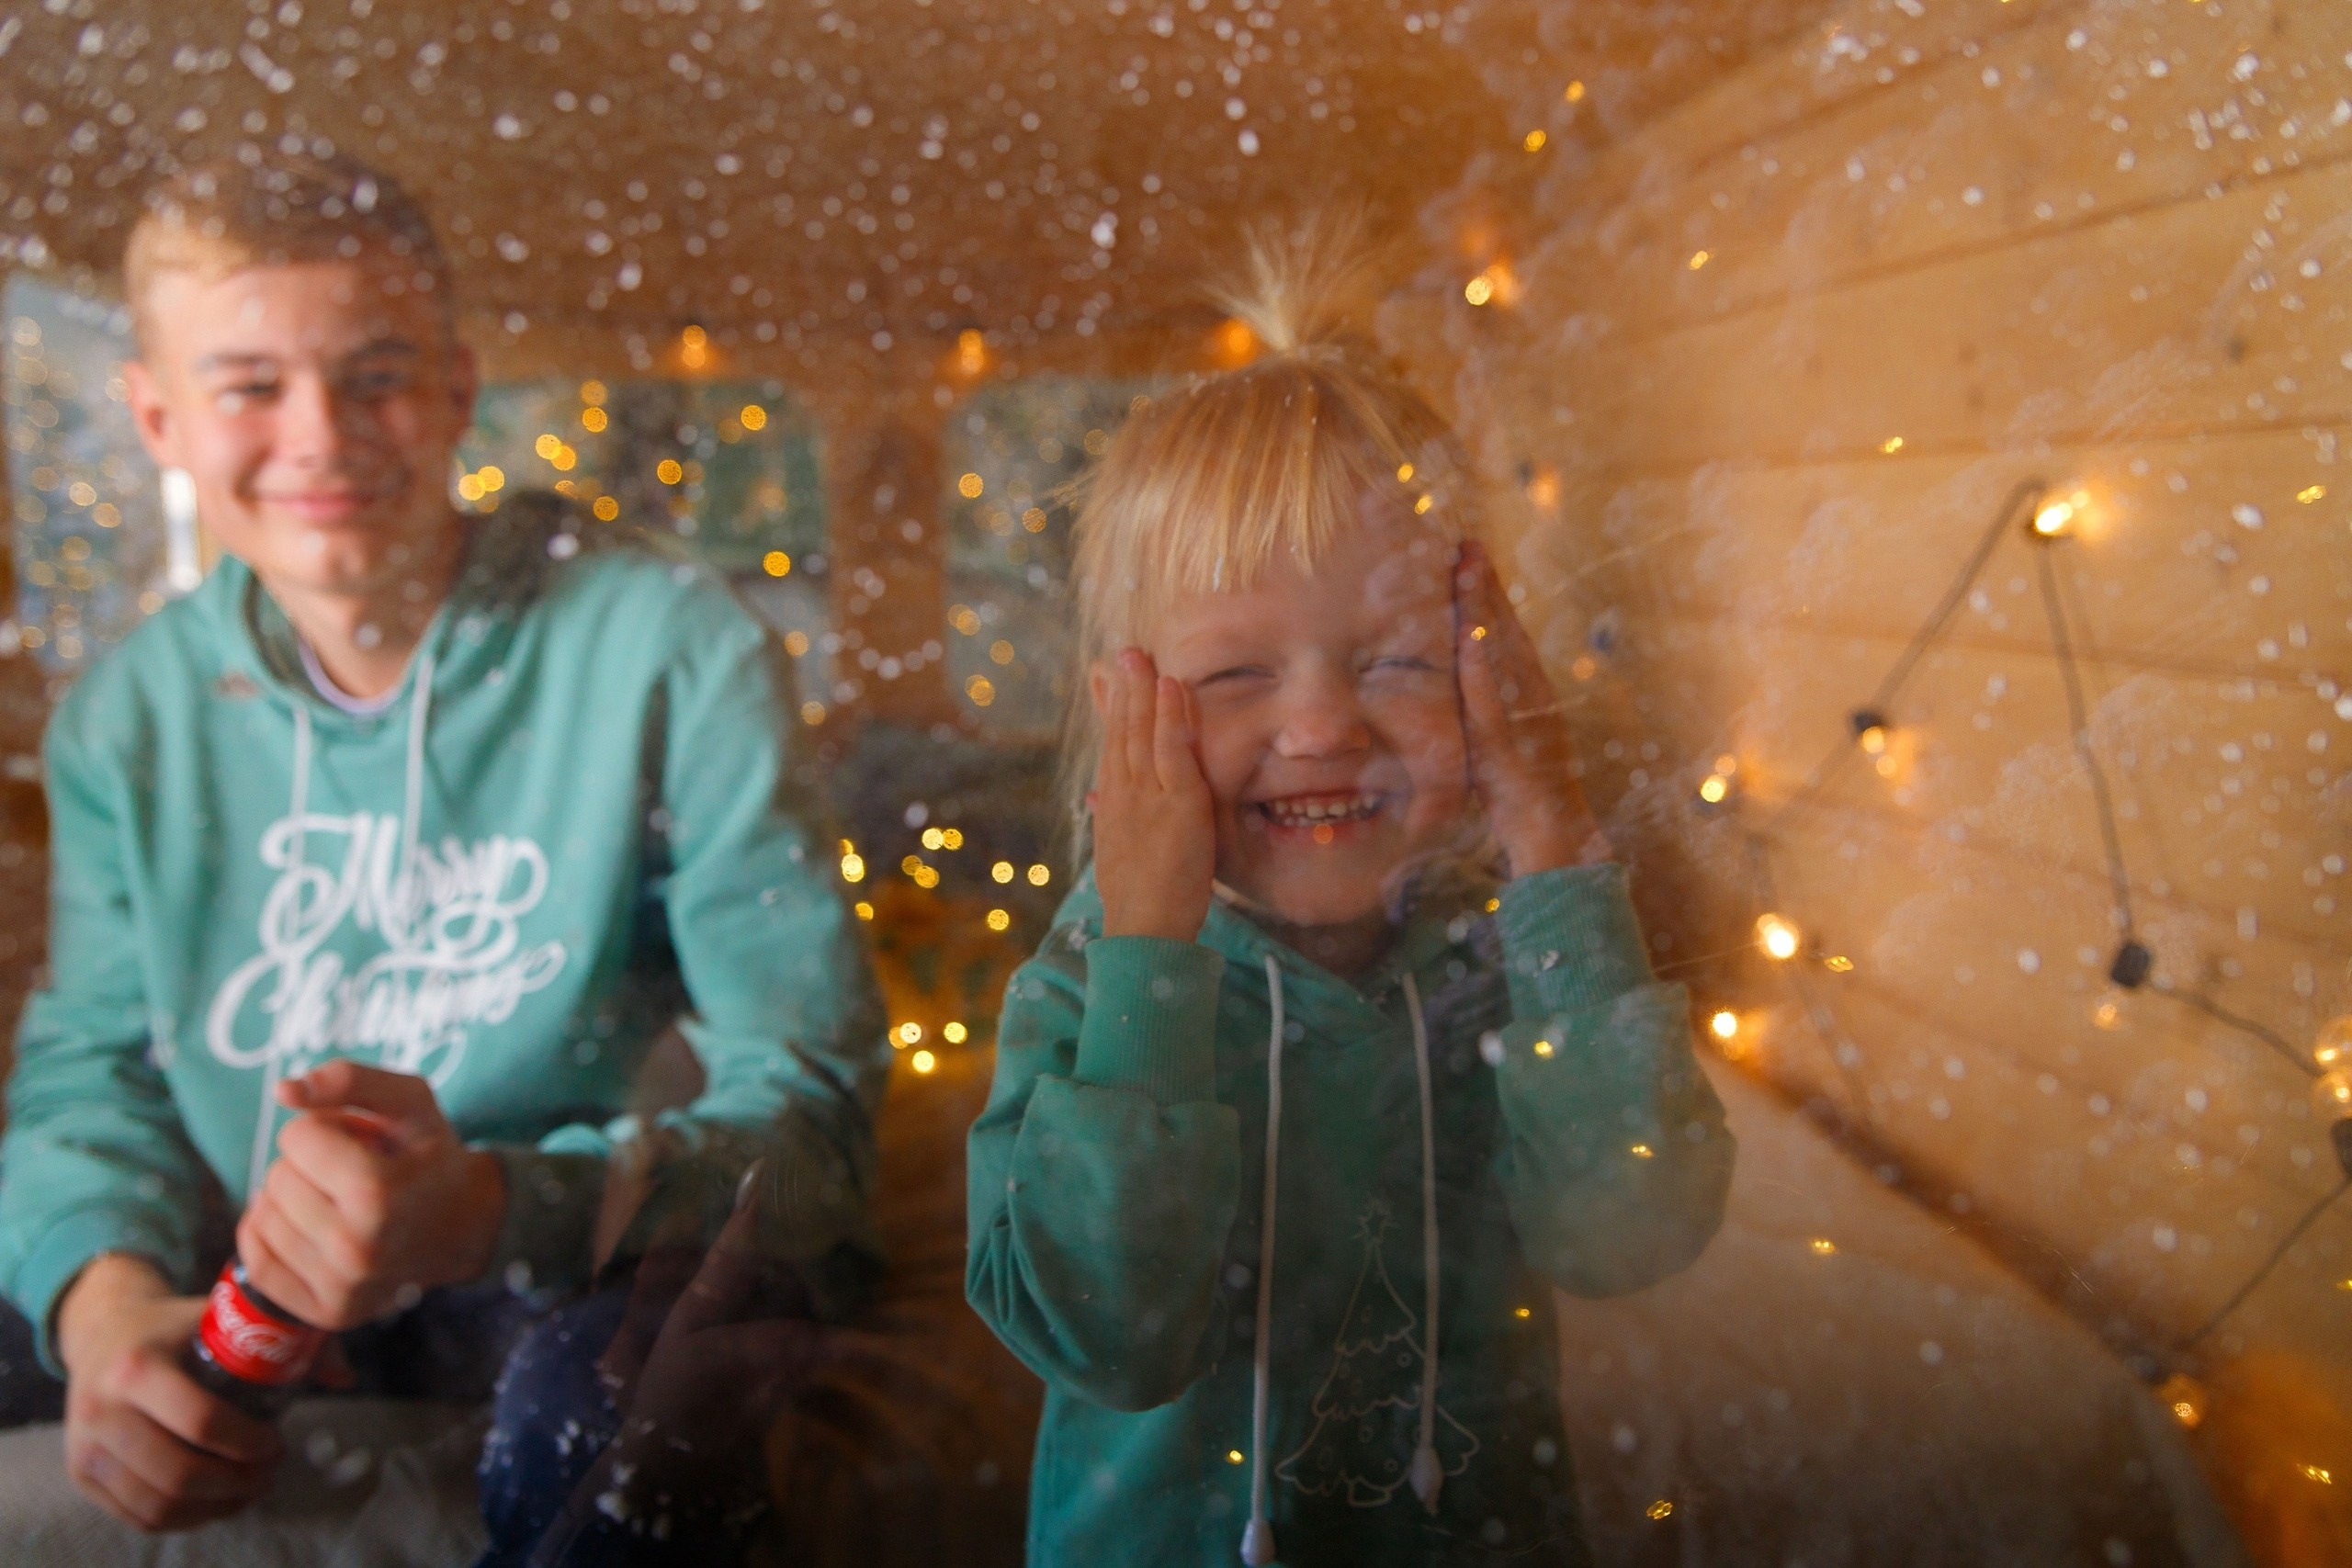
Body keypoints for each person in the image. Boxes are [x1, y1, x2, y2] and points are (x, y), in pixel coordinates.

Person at [0, 151, 888, 1556]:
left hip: (571, 1251)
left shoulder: (667, 646)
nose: (320, 438)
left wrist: (484, 1207)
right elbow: (91, 1069)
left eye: (376, 375)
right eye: (248, 388)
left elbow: (820, 1106)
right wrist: (102, 1304)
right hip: (268, 1261)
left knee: (609, 1399)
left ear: (461, 391)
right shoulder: (130, 721)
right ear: (158, 418)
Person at [965, 233, 1736, 1566]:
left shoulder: (1495, 964)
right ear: (1128, 715)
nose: (1320, 727)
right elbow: (1108, 1333)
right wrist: (1151, 950)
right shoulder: (1089, 987)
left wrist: (1550, 837)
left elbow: (1635, 1229)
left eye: (1389, 661)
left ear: (1483, 683)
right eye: (1230, 681)